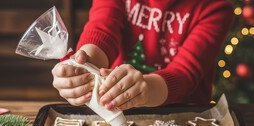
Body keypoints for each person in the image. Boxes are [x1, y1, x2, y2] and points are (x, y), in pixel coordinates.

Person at [52, 0, 234, 110]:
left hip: (186, 113)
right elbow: (102, 31)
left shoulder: (216, 8)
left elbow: (184, 74)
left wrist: (145, 88)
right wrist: (84, 65)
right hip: (118, 106)